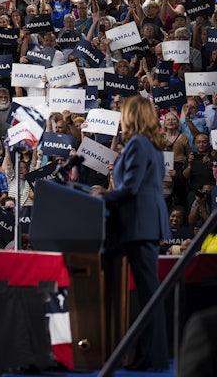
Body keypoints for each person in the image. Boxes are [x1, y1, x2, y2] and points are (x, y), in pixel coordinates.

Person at [92, 95, 169, 371]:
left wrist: (102, 195)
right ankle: (149, 355)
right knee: (150, 293)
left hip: (138, 226)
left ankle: (153, 357)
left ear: (131, 116)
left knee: (150, 295)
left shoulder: (138, 143)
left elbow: (130, 188)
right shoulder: (151, 145)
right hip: (142, 225)